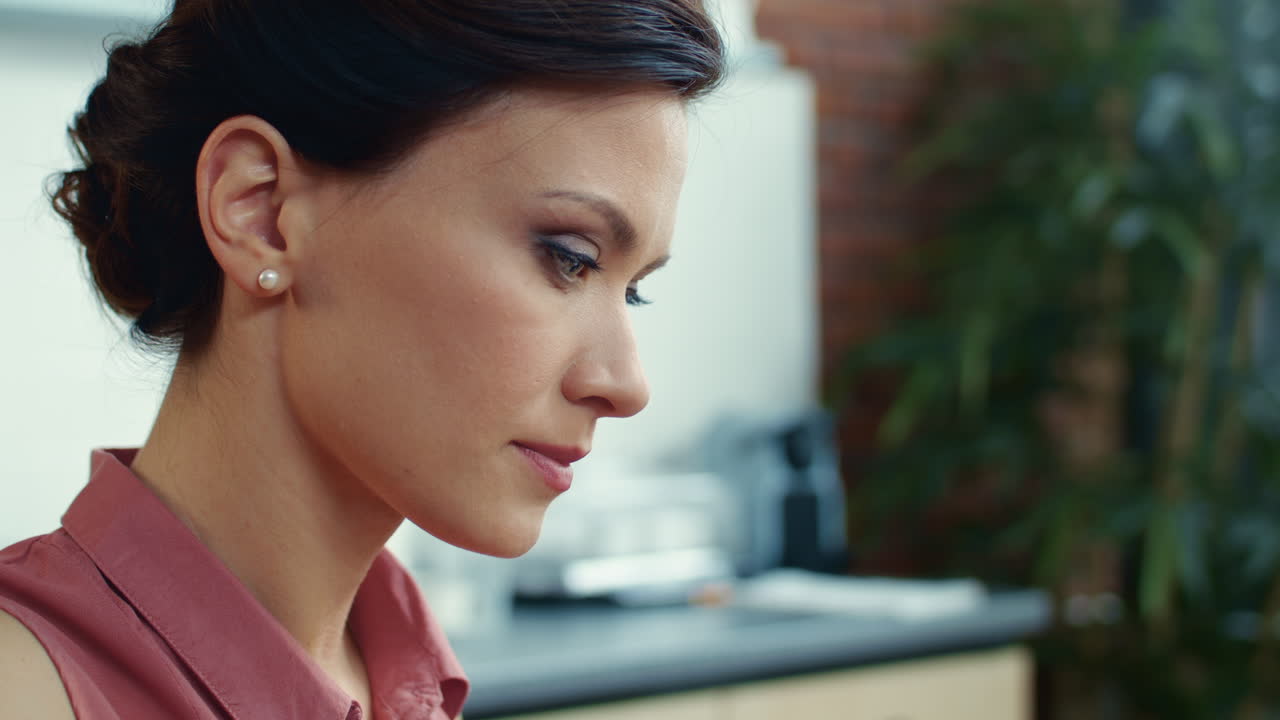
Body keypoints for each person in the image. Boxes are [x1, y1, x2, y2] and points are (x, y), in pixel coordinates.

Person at [0, 1, 725, 717]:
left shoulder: (403, 682)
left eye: (632, 294)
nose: (627, 386)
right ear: (261, 212)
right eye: (568, 259)